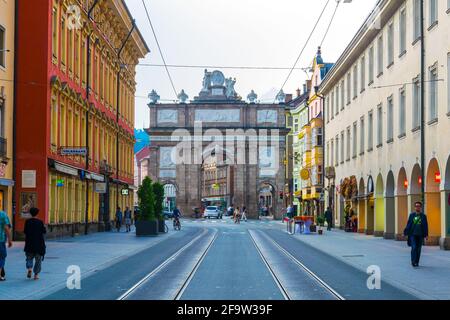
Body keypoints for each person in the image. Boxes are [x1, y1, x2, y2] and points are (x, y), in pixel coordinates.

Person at [404, 201, 429, 267]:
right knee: (414, 247)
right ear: (414, 207)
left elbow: (425, 226)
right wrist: (406, 232)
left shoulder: (423, 216)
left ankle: (417, 262)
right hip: (413, 234)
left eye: (418, 206)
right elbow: (409, 224)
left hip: (420, 235)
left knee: (418, 249)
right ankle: (413, 261)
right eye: (416, 206)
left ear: (420, 207)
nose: (417, 207)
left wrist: (426, 235)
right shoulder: (412, 215)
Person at [24, 208, 46, 280]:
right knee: (38, 260)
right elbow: (44, 231)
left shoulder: (27, 222)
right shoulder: (40, 222)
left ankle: (29, 268)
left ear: (30, 213)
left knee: (29, 258)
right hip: (39, 244)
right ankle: (36, 275)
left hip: (29, 243)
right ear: (37, 213)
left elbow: (25, 231)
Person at [0, 209, 12, 281]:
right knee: (1, 257)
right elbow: (6, 228)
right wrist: (10, 240)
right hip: (0, 240)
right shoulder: (3, 214)